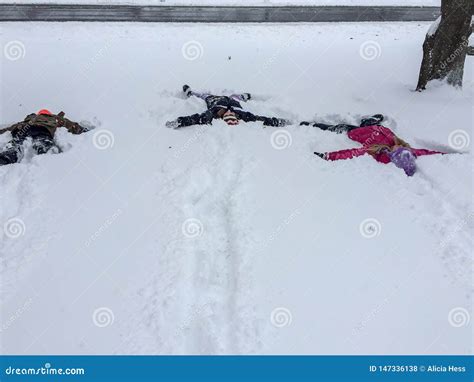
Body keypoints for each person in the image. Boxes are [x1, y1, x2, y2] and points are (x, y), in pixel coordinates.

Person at [302, 114, 444, 176]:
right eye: (401, 149)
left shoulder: (376, 151)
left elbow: (352, 153)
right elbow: (426, 152)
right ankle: (371, 121)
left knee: (333, 127)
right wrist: (449, 155)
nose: (398, 148)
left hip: (355, 132)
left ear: (393, 157)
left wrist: (329, 156)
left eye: (397, 152)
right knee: (374, 122)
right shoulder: (405, 147)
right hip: (376, 128)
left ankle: (306, 124)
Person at [166, 85, 289, 128]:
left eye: (228, 116)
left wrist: (179, 122)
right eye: (233, 115)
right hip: (233, 99)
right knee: (236, 97)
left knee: (203, 96)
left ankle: (190, 92)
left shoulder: (212, 113)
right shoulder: (243, 115)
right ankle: (245, 96)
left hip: (214, 99)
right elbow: (260, 118)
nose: (230, 113)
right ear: (236, 117)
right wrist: (276, 121)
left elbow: (197, 118)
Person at [0, 109, 88, 166]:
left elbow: (11, 127)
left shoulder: (30, 118)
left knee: (17, 141)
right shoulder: (55, 118)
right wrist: (82, 129)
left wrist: (2, 131)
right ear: (49, 114)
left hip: (24, 129)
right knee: (43, 140)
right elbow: (70, 125)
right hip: (42, 129)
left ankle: (8, 155)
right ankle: (46, 150)